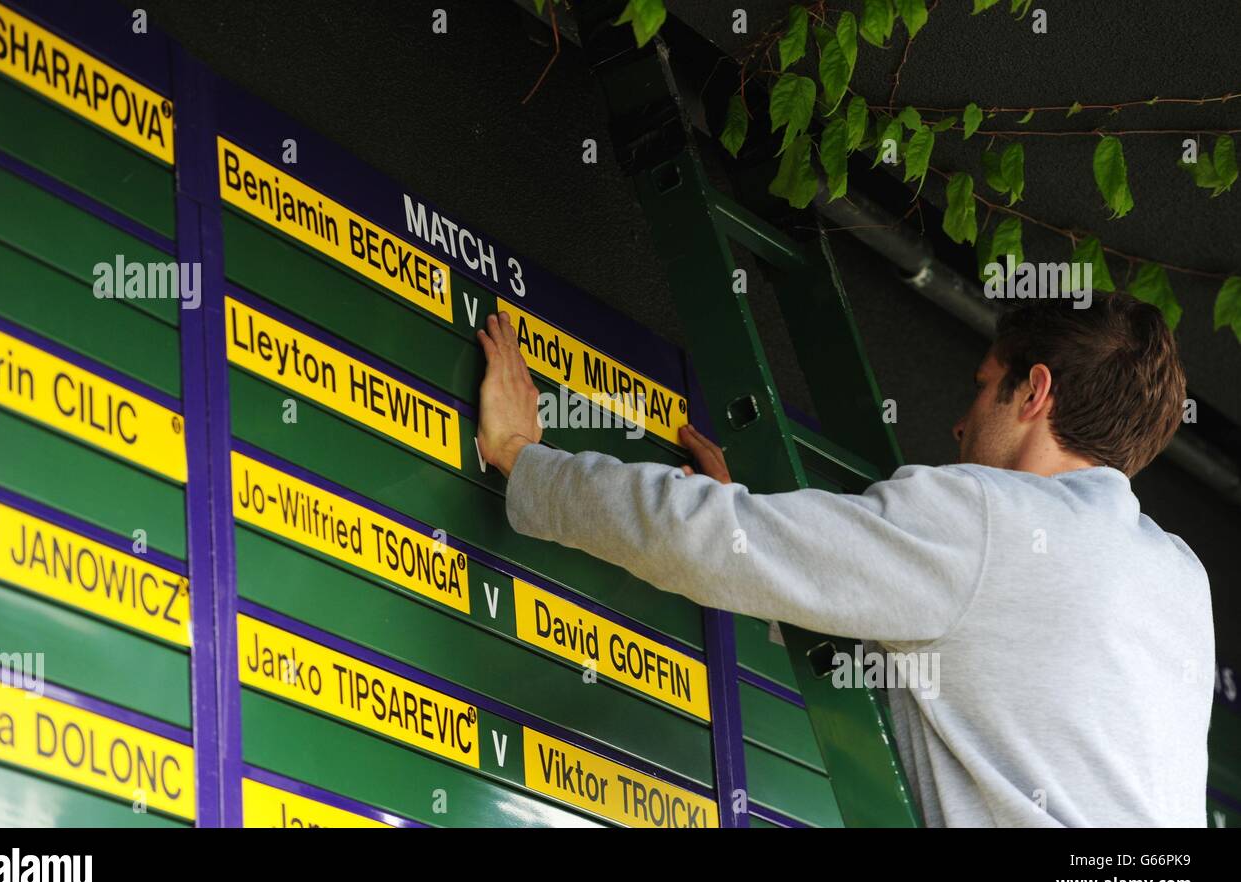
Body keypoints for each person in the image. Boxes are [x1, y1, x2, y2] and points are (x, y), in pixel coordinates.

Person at [474, 294, 1214, 828]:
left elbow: (691, 535)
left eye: (984, 385)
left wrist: (525, 461)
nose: (961, 420)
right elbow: (955, 665)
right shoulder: (1180, 581)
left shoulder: (987, 518)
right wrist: (767, 561)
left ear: (1035, 392)